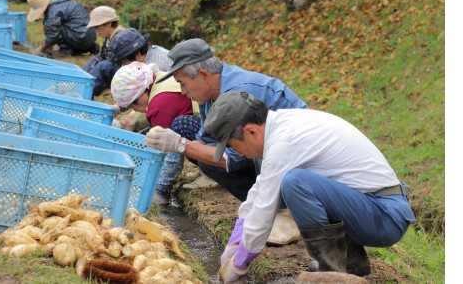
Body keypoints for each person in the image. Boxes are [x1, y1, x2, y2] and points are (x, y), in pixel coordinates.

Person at [202, 91, 415, 282]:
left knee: (295, 183)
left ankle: (331, 273)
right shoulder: (284, 124)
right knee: (295, 182)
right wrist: (234, 243)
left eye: (233, 146)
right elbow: (259, 192)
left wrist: (239, 265)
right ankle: (351, 264)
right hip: (378, 206)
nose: (238, 153)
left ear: (250, 131)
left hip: (385, 216)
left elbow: (263, 212)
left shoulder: (283, 144)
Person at [143, 38, 308, 245]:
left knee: (247, 150)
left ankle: (286, 213)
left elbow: (234, 158)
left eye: (183, 84)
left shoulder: (238, 94)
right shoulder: (210, 95)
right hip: (266, 152)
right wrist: (186, 146)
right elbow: (209, 145)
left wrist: (179, 144)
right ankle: (266, 209)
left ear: (203, 75)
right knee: (207, 160)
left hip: (295, 156)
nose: (183, 92)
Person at [111, 61, 201, 205]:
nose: (134, 109)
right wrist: (116, 108)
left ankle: (208, 170)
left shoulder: (160, 107)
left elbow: (172, 153)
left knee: (160, 138)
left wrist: (160, 190)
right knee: (148, 134)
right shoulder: (157, 79)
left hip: (209, 137)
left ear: (142, 92)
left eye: (134, 104)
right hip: (204, 124)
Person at [27, 0, 98, 57]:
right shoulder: (64, 1)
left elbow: (52, 34)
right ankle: (90, 47)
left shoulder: (54, 11)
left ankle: (66, 49)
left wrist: (41, 49)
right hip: (90, 36)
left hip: (79, 39)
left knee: (56, 28)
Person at [83, 6, 125, 97]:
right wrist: (86, 74)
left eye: (97, 27)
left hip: (124, 76)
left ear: (109, 24)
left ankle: (86, 92)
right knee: (96, 59)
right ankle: (81, 81)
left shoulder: (121, 38)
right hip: (113, 71)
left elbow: (121, 64)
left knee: (104, 65)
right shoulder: (109, 38)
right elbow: (100, 57)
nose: (96, 30)